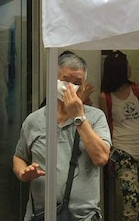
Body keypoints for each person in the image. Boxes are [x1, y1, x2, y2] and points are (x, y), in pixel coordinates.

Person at [14, 51, 111, 221]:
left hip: (84, 217)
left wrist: (78, 117)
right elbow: (19, 156)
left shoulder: (96, 117)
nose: (70, 87)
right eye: (66, 80)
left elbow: (101, 158)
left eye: (77, 83)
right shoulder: (34, 120)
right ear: (54, 80)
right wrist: (23, 172)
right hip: (41, 214)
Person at [99, 51, 139, 221]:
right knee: (131, 204)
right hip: (123, 152)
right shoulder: (105, 97)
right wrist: (109, 155)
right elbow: (105, 127)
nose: (130, 68)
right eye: (127, 65)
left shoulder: (136, 89)